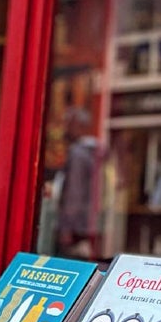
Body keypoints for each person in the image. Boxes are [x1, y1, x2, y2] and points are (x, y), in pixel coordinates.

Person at [57, 108, 102, 258]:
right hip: (91, 223)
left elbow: (74, 193)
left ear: (80, 126)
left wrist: (66, 228)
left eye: (70, 124)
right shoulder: (94, 152)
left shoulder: (77, 153)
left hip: (75, 228)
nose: (66, 129)